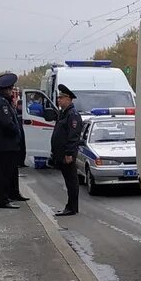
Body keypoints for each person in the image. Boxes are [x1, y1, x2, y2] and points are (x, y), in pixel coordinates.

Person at [0, 73, 26, 208]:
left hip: (1, 142)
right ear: (5, 89)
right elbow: (7, 123)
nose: (11, 92)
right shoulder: (1, 103)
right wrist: (16, 132)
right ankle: (3, 199)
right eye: (10, 89)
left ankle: (13, 193)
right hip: (6, 143)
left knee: (11, 169)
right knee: (3, 172)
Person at [50, 84, 83, 216]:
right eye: (58, 98)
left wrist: (69, 153)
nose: (59, 100)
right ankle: (71, 206)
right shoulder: (64, 113)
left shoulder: (72, 115)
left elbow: (73, 136)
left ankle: (72, 207)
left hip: (67, 154)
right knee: (69, 181)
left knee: (71, 182)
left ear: (68, 99)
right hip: (61, 153)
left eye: (61, 98)